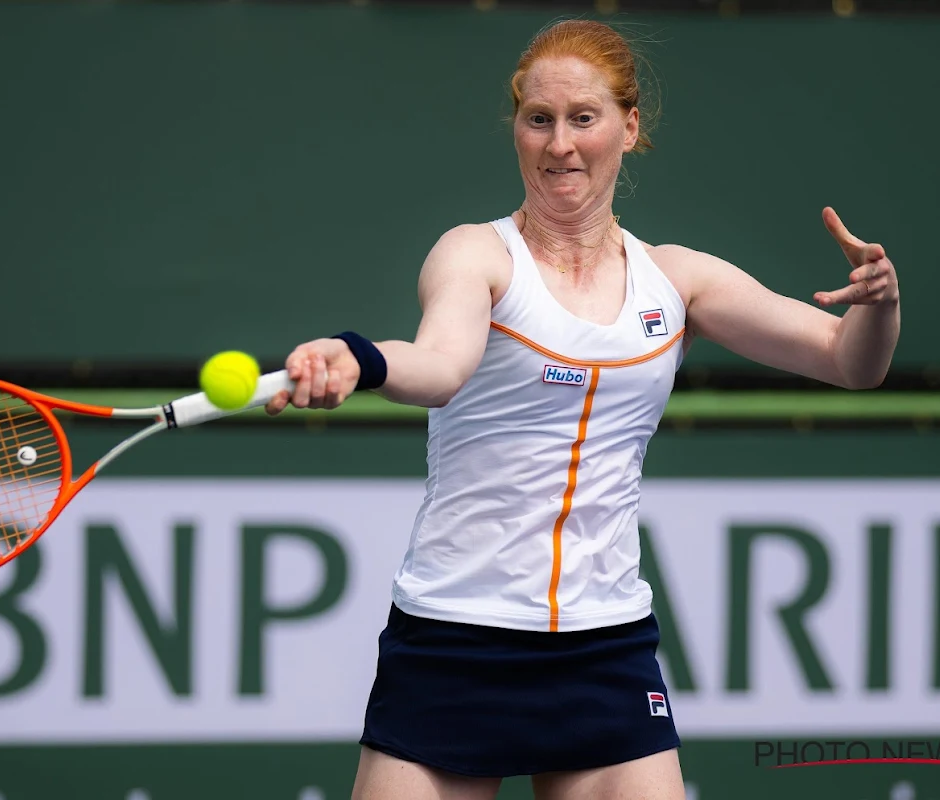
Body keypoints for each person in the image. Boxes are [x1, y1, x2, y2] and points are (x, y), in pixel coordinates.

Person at [265, 18, 900, 800]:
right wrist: (357, 357)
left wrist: (880, 304)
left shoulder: (679, 280)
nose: (559, 143)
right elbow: (438, 367)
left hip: (606, 649)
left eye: (582, 119)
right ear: (518, 129)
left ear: (629, 128)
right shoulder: (476, 254)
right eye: (539, 120)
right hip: (456, 640)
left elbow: (849, 360)